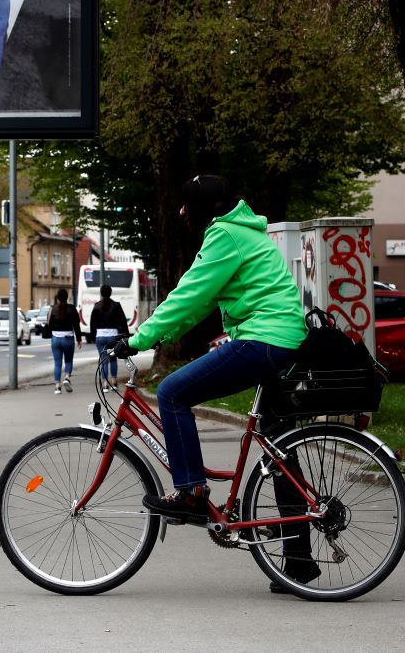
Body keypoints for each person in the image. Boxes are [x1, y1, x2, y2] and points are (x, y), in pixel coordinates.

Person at [112, 175, 306, 529]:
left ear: (206, 208)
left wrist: (139, 338)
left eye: (188, 204)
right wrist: (161, 335)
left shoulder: (224, 234)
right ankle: (298, 562)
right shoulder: (243, 231)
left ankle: (191, 494)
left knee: (171, 393)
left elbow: (190, 293)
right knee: (279, 449)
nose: (182, 211)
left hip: (263, 339)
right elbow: (201, 304)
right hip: (282, 339)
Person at [89, 283, 129, 391]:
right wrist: (125, 336)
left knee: (104, 360)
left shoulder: (97, 306)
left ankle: (105, 384)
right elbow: (123, 322)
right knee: (113, 359)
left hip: (100, 336)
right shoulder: (116, 305)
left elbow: (92, 323)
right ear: (110, 293)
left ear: (101, 293)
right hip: (113, 336)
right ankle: (114, 383)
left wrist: (93, 337)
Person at [45, 288, 82, 393]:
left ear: (58, 298)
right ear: (67, 298)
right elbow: (76, 325)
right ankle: (66, 378)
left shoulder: (53, 309)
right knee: (69, 361)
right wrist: (79, 339)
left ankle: (57, 386)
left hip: (55, 339)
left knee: (57, 363)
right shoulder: (72, 309)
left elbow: (49, 324)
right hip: (68, 338)